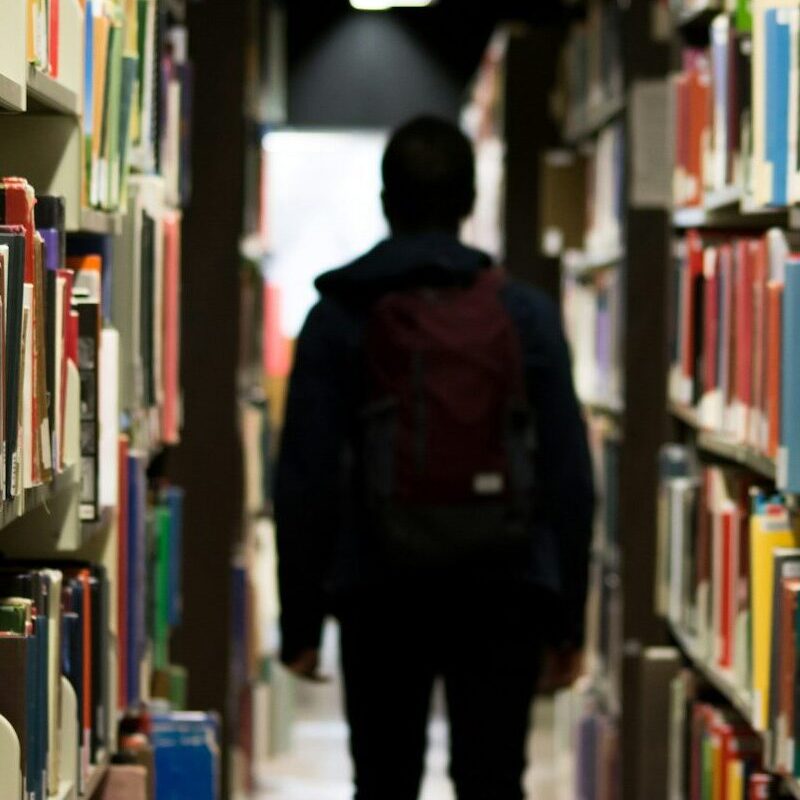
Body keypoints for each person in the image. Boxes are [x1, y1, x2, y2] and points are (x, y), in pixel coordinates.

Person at [274, 115, 595, 800]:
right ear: (470, 202)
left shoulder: (338, 314)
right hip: (503, 587)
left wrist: (301, 620)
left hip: (378, 587)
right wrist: (567, 619)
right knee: (492, 780)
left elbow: (305, 476)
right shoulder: (525, 314)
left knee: (385, 780)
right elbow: (569, 473)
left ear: (386, 201)